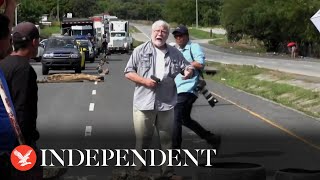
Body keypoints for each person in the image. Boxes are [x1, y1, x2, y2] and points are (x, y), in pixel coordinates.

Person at [124, 20, 194, 180]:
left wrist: (188, 71)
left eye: (163, 31)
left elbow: (187, 66)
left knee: (167, 141)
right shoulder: (140, 50)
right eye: (157, 31)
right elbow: (128, 72)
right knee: (143, 141)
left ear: (167, 35)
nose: (159, 34)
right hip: (144, 103)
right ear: (151, 32)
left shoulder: (175, 52)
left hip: (166, 103)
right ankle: (140, 174)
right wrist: (145, 81)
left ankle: (168, 174)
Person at [0, 22, 42, 179]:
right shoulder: (25, 70)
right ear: (34, 42)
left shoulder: (3, 64)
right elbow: (22, 109)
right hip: (18, 143)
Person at [171, 25, 221, 156]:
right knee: (184, 119)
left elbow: (200, 64)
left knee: (176, 116)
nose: (178, 38)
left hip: (189, 88)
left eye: (180, 35)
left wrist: (186, 63)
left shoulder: (194, 47)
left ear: (187, 36)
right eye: (176, 36)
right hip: (177, 88)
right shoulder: (174, 49)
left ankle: (174, 151)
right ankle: (212, 138)